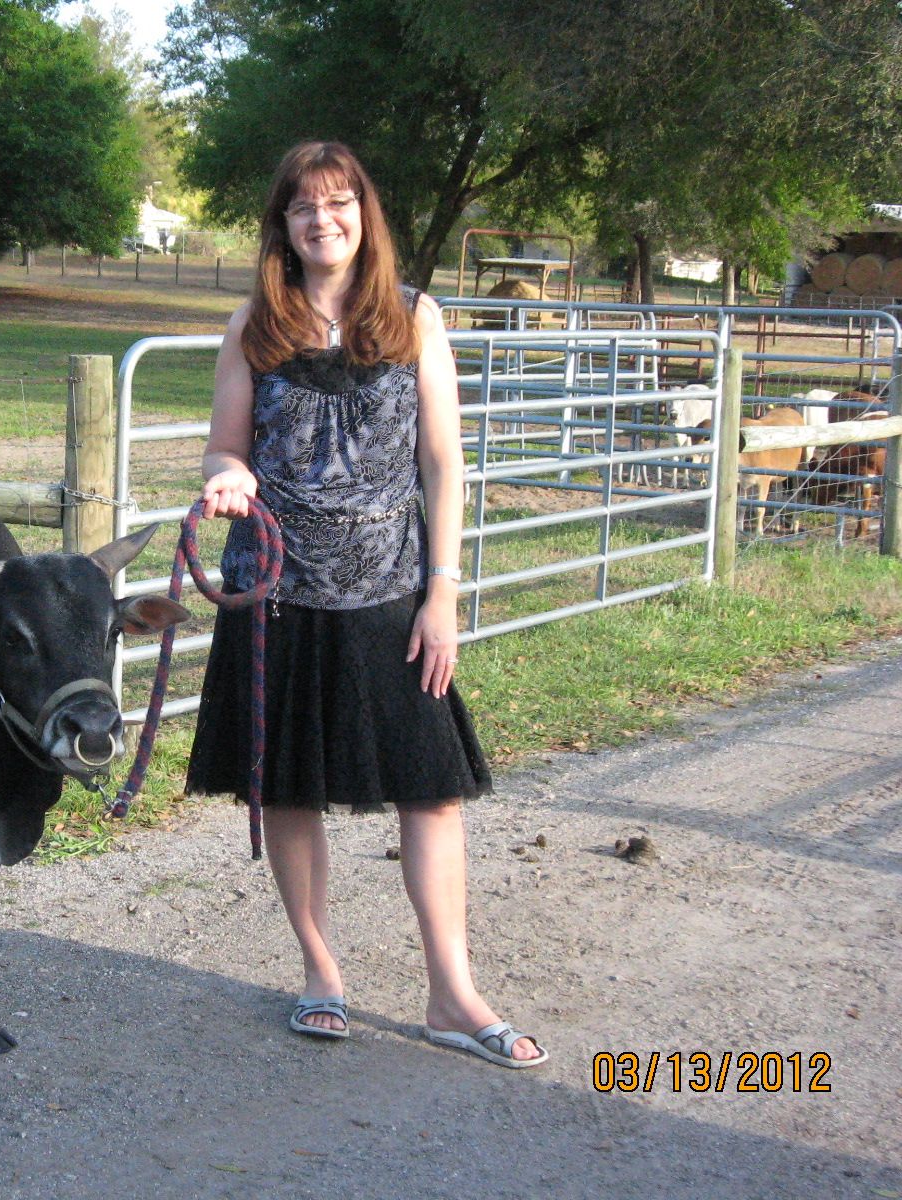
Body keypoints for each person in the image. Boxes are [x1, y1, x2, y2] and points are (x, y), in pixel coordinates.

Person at [187, 141, 546, 1068]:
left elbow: (442, 463)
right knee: (291, 787)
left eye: (340, 203)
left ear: (364, 215)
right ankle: (320, 973)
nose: (324, 221)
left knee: (431, 793)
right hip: (277, 595)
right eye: (305, 208)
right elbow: (224, 449)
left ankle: (451, 995)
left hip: (394, 591)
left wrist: (444, 592)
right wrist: (227, 481)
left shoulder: (417, 317)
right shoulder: (254, 325)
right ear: (284, 224)